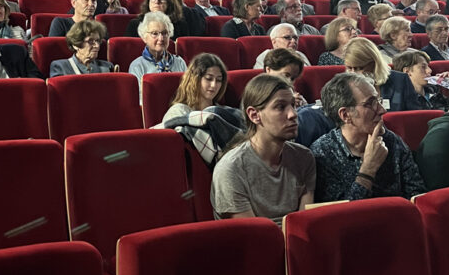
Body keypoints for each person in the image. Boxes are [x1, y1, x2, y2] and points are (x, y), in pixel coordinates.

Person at [211, 74, 315, 221]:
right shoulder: (231, 168)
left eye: (293, 105)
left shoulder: (304, 158)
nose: (293, 114)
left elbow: (305, 223)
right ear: (254, 115)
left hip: (297, 240)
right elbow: (253, 236)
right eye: (280, 107)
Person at [311, 72, 425, 201]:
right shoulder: (323, 153)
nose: (382, 110)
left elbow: (417, 196)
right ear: (345, 115)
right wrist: (368, 170)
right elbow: (341, 215)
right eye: (370, 104)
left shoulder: (391, 141)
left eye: (378, 101)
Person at [342, 36, 422, 112]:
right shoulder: (342, 87)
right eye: (349, 68)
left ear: (374, 63)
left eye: (359, 68)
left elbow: (414, 116)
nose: (353, 73)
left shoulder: (400, 80)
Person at [128, 12, 187, 94]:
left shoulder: (179, 62)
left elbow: (188, 93)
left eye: (164, 33)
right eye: (154, 33)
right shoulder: (137, 66)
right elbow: (139, 99)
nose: (161, 38)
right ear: (144, 37)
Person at [162, 54, 228, 124]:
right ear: (195, 79)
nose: (213, 85)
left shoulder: (224, 113)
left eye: (218, 80)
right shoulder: (178, 112)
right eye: (209, 78)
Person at [125, 0, 199, 39]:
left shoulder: (180, 25)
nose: (157, 1)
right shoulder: (135, 24)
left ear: (169, 2)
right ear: (148, 2)